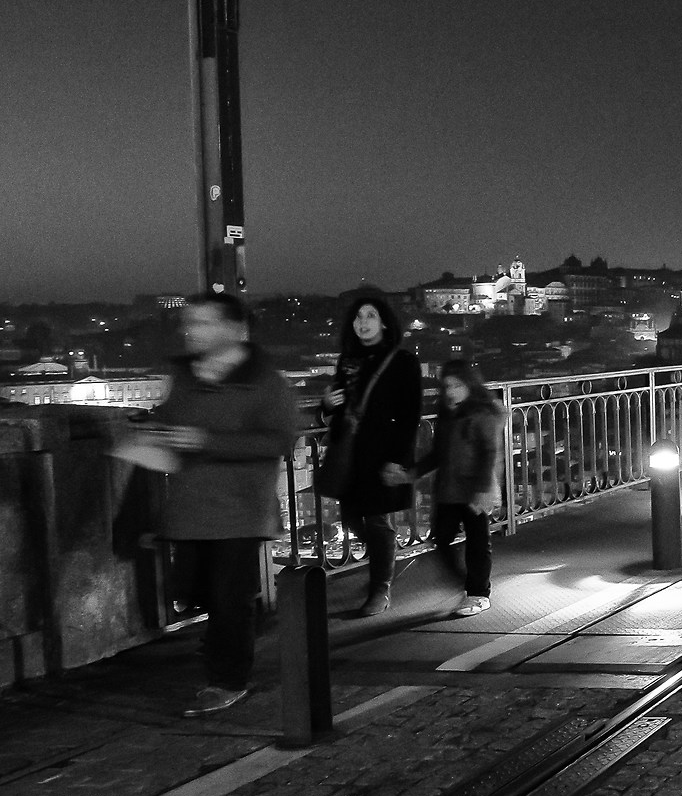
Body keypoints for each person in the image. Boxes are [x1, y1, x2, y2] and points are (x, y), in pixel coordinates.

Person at [146, 295, 301, 716]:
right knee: (192, 592)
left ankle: (228, 679)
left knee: (229, 597)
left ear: (233, 329)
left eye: (202, 322)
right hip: (190, 506)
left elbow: (280, 440)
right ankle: (233, 641)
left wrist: (207, 441)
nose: (190, 330)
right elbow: (169, 420)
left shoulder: (265, 380)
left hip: (239, 507)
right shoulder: (183, 373)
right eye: (188, 322)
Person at [324, 292, 421, 619]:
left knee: (377, 519)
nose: (362, 323)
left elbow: (411, 414)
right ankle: (385, 557)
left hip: (381, 452)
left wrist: (398, 458)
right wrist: (327, 404)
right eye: (358, 317)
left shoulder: (402, 360)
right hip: (349, 450)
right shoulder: (346, 360)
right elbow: (336, 404)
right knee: (351, 516)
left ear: (383, 321)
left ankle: (380, 588)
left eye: (369, 316)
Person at [415, 358, 504, 615]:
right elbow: (438, 454)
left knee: (478, 541)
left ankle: (478, 593)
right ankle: (467, 583)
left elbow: (489, 452)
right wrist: (411, 473)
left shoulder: (482, 415)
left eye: (457, 385)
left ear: (470, 385)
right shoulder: (447, 414)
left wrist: (484, 488)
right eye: (447, 386)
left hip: (475, 487)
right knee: (441, 538)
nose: (451, 391)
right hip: (449, 488)